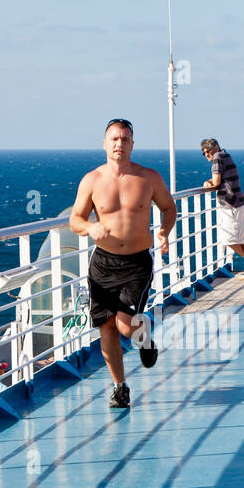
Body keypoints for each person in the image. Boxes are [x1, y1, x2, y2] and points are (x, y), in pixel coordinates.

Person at [68, 118, 177, 409]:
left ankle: (145, 338)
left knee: (125, 326)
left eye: (125, 139)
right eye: (114, 139)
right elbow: (75, 219)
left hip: (137, 264)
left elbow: (168, 207)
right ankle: (120, 387)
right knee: (106, 328)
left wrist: (164, 231)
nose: (119, 144)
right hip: (103, 264)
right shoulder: (92, 180)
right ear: (105, 143)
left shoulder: (148, 178)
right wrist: (90, 228)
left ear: (132, 143)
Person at [200, 139, 244, 279]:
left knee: (228, 240)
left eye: (208, 151)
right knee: (243, 236)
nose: (207, 155)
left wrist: (207, 182)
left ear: (215, 148)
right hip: (239, 202)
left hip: (231, 204)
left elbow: (216, 183)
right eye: (204, 153)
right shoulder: (225, 155)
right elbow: (223, 179)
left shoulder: (217, 158)